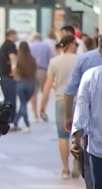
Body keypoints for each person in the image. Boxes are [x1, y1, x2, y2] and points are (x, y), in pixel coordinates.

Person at [64, 44, 102, 189]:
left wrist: (75, 138)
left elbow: (81, 110)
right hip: (96, 145)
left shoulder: (90, 76)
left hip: (97, 146)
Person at [39, 35, 78, 179]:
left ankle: (65, 169)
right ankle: (77, 163)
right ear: (70, 45)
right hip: (78, 99)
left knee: (63, 136)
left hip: (61, 99)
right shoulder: (80, 60)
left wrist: (42, 103)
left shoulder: (54, 62)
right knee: (79, 135)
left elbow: (48, 84)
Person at [71, 64, 102, 189]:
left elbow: (81, 113)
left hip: (98, 149)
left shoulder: (91, 76)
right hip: (97, 148)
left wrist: (76, 141)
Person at [10, 42, 36, 133]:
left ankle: (26, 124)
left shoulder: (18, 59)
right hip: (30, 83)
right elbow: (34, 71)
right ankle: (15, 122)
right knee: (23, 104)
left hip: (21, 83)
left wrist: (16, 76)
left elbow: (13, 69)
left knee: (23, 103)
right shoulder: (32, 59)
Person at [29, 33, 53, 122]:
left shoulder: (30, 46)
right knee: (45, 92)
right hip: (43, 70)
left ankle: (34, 114)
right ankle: (42, 111)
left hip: (32, 70)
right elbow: (51, 59)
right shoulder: (46, 47)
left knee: (33, 93)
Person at [0, 29, 18, 123]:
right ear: (12, 34)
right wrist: (14, 73)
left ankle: (7, 119)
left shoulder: (3, 46)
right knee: (11, 100)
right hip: (9, 76)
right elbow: (13, 59)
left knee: (7, 99)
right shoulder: (11, 45)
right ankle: (10, 120)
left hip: (3, 75)